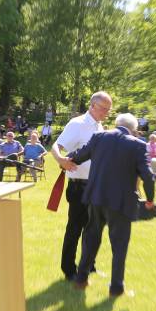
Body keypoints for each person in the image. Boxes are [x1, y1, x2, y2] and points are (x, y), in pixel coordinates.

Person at [68, 113, 156, 297]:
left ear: (116, 124)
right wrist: (150, 199)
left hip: (95, 198)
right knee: (119, 244)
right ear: (133, 129)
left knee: (91, 238)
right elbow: (147, 176)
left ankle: (81, 279)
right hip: (120, 202)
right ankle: (116, 288)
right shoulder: (138, 144)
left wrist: (65, 159)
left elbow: (79, 156)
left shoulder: (100, 137)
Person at [52, 91, 112, 281]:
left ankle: (88, 266)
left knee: (92, 229)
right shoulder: (77, 124)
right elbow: (56, 146)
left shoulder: (99, 126)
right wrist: (61, 160)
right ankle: (69, 270)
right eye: (104, 109)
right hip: (79, 187)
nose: (106, 113)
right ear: (92, 105)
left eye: (108, 110)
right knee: (75, 229)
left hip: (96, 186)